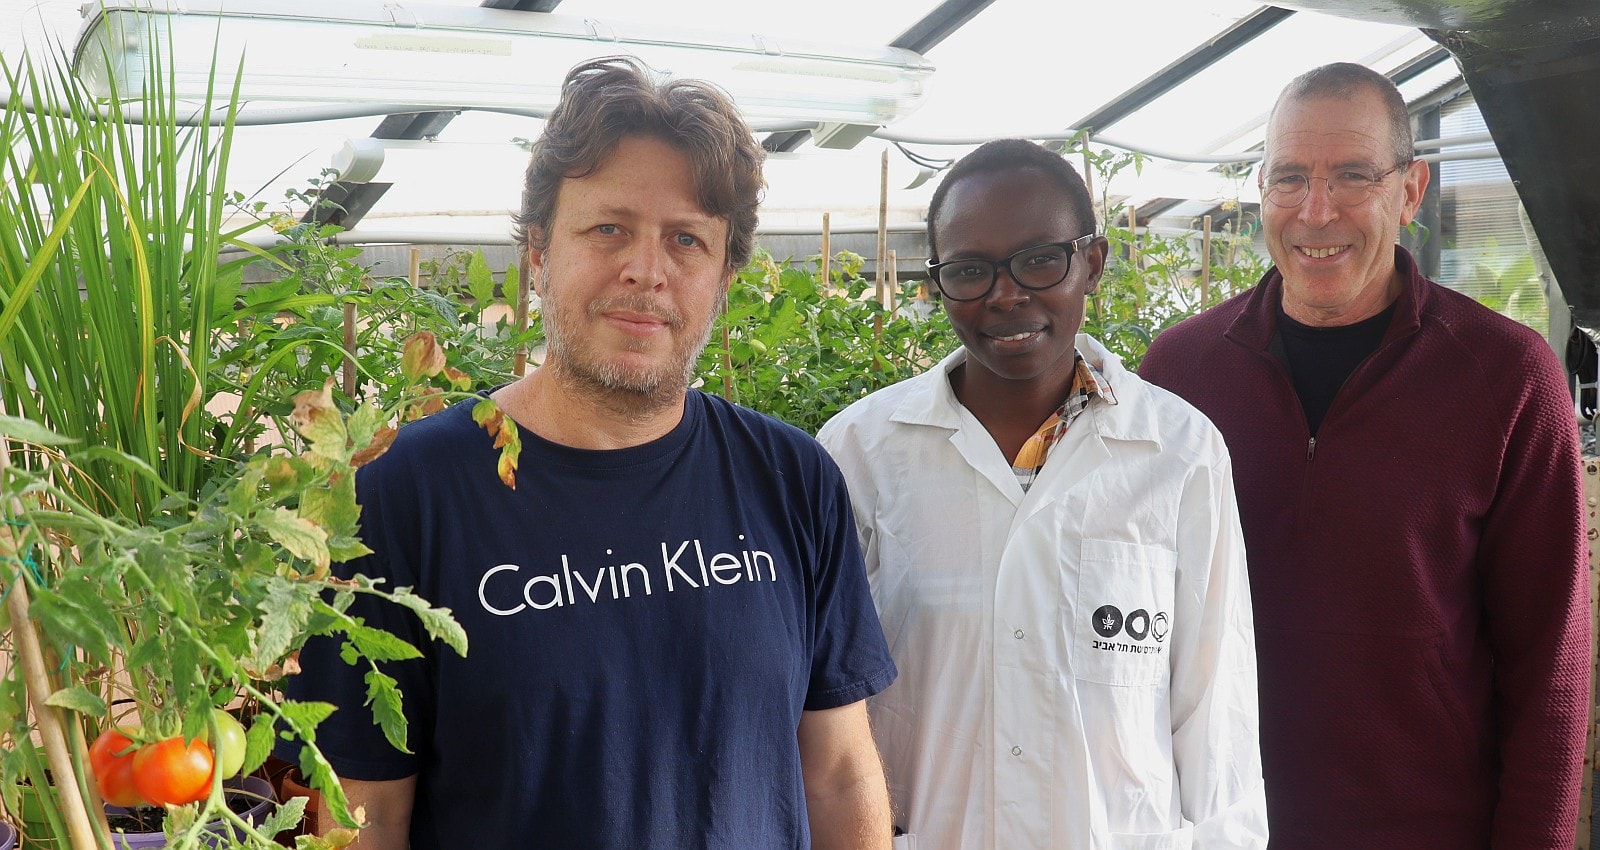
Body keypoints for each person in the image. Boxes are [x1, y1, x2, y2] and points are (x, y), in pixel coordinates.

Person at [278, 56, 897, 850]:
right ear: (537, 252)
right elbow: (366, 816)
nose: (647, 271)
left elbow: (840, 774)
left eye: (687, 241)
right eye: (609, 229)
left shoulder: (790, 478)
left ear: (724, 276)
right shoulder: (404, 494)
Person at [1140, 62, 1589, 848]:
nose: (1317, 211)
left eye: (1352, 175)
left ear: (1410, 191)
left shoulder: (1506, 375)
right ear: (1261, 190)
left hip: (1424, 829)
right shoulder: (1180, 372)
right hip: (1214, 829)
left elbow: (1548, 663)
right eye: (1289, 178)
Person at [817, 139, 1268, 849]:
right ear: (936, 283)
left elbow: (1217, 720)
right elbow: (826, 715)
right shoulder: (859, 455)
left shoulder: (1179, 453)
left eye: (1038, 259)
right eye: (970, 270)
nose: (1006, 294)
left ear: (1093, 261)